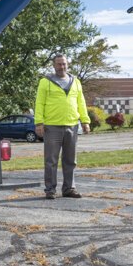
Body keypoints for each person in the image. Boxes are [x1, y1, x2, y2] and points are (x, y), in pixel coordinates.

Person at [34, 54, 90, 200]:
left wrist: (85, 121)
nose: (62, 67)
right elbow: (39, 103)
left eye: (64, 64)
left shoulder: (76, 82)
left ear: (68, 64)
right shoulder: (45, 82)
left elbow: (81, 102)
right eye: (59, 64)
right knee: (51, 160)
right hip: (52, 127)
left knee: (70, 160)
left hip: (72, 125)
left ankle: (69, 188)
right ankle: (50, 190)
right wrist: (39, 122)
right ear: (54, 65)